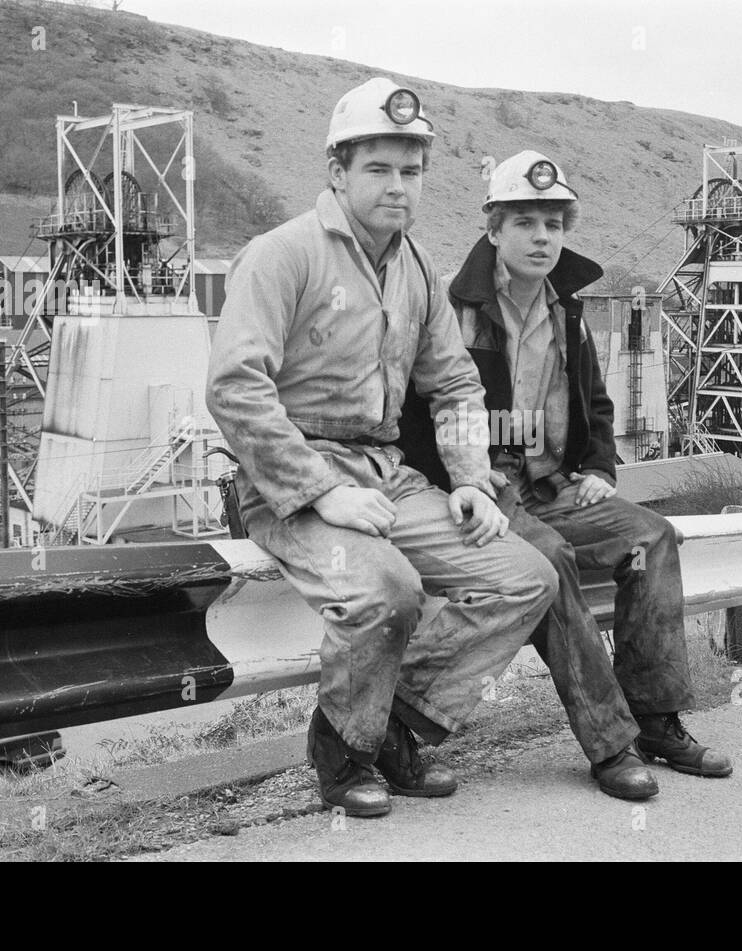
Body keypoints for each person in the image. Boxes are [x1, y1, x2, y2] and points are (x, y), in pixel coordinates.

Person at [206, 82, 558, 819]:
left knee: (524, 577)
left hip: (384, 475)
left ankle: (394, 726)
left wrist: (469, 479)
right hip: (290, 486)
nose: (399, 186)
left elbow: (457, 383)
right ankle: (343, 753)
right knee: (388, 589)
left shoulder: (417, 269)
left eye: (411, 171)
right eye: (379, 169)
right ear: (338, 170)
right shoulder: (281, 256)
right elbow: (236, 387)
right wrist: (320, 490)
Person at [398, 150, 732, 799]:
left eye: (554, 222)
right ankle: (610, 745)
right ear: (493, 228)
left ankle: (656, 719)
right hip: (487, 491)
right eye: (526, 222)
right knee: (549, 561)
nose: (543, 236)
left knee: (652, 537)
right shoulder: (450, 304)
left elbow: (598, 406)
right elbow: (419, 412)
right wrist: (456, 482)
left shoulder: (567, 311)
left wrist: (600, 467)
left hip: (554, 487)